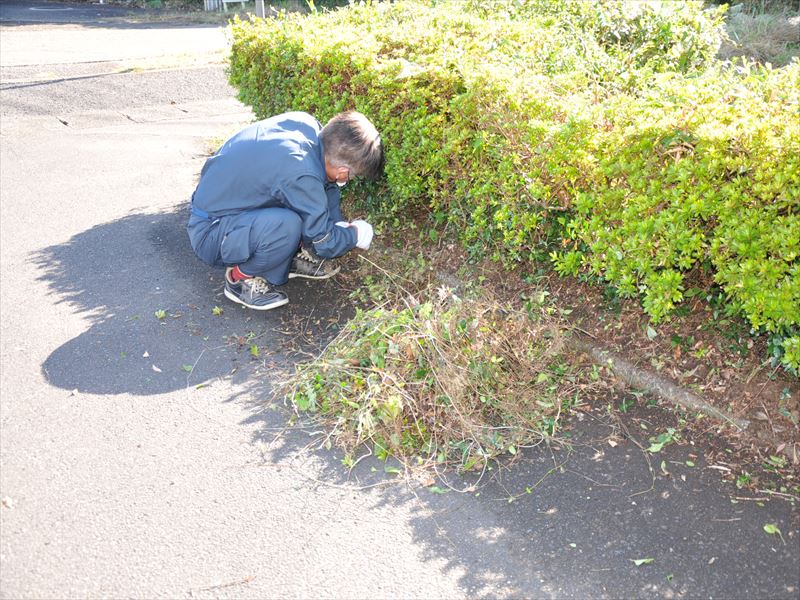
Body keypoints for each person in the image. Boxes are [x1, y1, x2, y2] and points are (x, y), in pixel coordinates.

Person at [187, 111, 384, 310]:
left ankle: (284, 257)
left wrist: (336, 222)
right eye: (352, 177)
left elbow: (326, 187)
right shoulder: (300, 172)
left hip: (225, 207)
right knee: (287, 226)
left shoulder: (308, 127)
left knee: (299, 210)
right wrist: (354, 234)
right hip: (211, 231)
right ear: (343, 171)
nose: (349, 180)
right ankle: (239, 278)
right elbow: (325, 243)